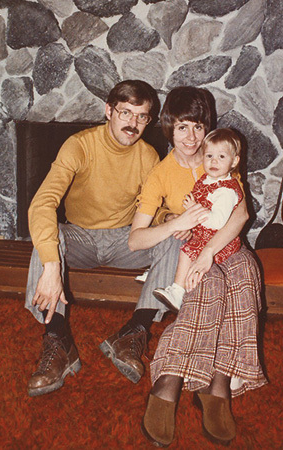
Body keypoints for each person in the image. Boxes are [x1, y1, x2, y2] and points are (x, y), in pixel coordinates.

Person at [127, 86, 267, 446]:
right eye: (182, 127)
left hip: (224, 247)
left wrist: (209, 255)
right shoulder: (161, 173)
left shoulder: (219, 157)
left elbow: (241, 215)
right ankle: (169, 380)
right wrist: (177, 224)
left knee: (246, 275)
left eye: (198, 127)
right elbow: (135, 239)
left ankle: (218, 382)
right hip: (189, 248)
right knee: (207, 286)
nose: (191, 138)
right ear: (169, 129)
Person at [25, 79, 162, 397]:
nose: (133, 123)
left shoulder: (149, 157)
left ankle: (133, 332)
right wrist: (50, 266)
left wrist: (173, 220)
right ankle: (58, 341)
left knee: (174, 239)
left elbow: (157, 212)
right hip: (80, 238)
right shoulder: (80, 145)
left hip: (125, 240)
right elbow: (43, 202)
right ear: (108, 111)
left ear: (148, 120)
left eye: (141, 116)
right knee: (48, 235)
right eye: (126, 113)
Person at [153, 128, 243, 312]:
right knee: (176, 240)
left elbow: (217, 222)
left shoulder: (226, 191)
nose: (214, 161)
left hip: (220, 242)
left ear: (234, 161)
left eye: (221, 157)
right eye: (209, 155)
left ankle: (178, 292)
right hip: (204, 233)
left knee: (187, 250)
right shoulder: (209, 179)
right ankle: (160, 275)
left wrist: (195, 209)